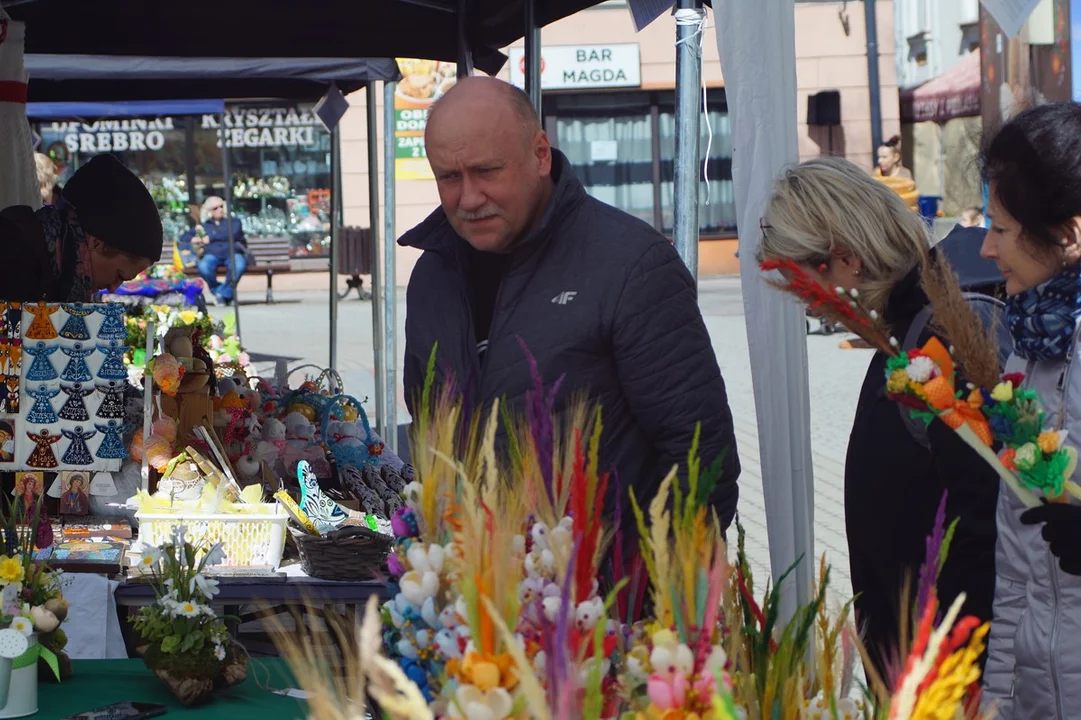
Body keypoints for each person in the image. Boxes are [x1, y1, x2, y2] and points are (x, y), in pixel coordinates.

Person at [398, 76, 740, 530]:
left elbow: (700, 459)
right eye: (449, 177)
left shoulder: (630, 264)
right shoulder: (431, 278)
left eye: (487, 171)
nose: (469, 198)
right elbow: (431, 438)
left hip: (605, 592)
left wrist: (641, 590)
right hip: (474, 590)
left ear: (540, 154)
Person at [757, 156, 998, 684]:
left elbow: (985, 527)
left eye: (806, 291)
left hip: (950, 678)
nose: (812, 311)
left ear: (846, 261)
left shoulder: (941, 337)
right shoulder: (906, 329)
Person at [978, 102, 1081, 719]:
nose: (986, 248)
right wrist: (1000, 700)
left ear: (1068, 234)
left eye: (1002, 229)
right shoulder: (1029, 344)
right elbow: (1017, 559)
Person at [0, 154, 161, 301]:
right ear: (96, 243)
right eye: (119, 275)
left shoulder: (59, 266)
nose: (113, 288)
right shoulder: (14, 253)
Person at [187, 196, 247, 305]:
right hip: (212, 254)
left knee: (239, 265)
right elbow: (184, 236)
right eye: (215, 208)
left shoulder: (234, 222)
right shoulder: (205, 226)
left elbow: (232, 234)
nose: (220, 209)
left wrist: (211, 238)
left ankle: (221, 294)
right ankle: (224, 293)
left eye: (221, 206)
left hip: (233, 252)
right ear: (209, 211)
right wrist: (194, 238)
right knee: (203, 266)